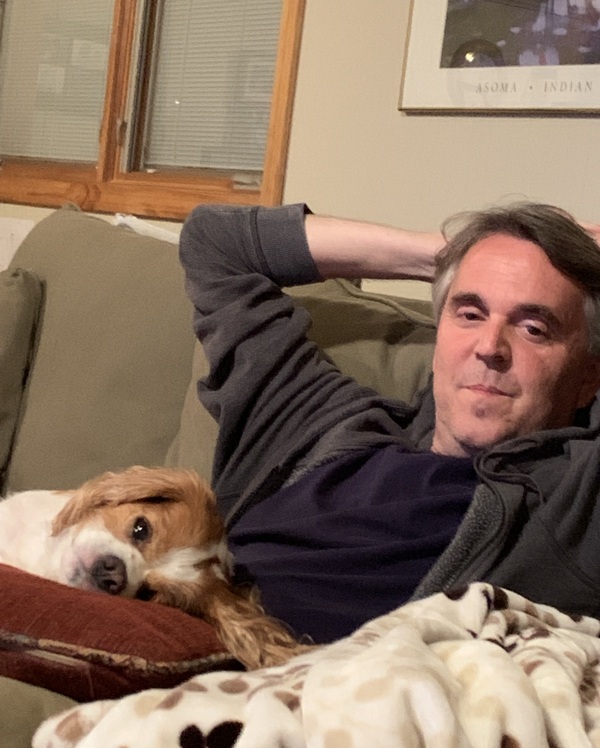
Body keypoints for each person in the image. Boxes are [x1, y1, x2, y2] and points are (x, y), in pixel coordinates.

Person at [179, 201, 600, 644]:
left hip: (285, 678)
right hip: (164, 622)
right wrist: (452, 258)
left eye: (533, 328)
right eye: (469, 314)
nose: (490, 347)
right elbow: (215, 245)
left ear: (589, 379)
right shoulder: (318, 421)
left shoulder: (572, 501)